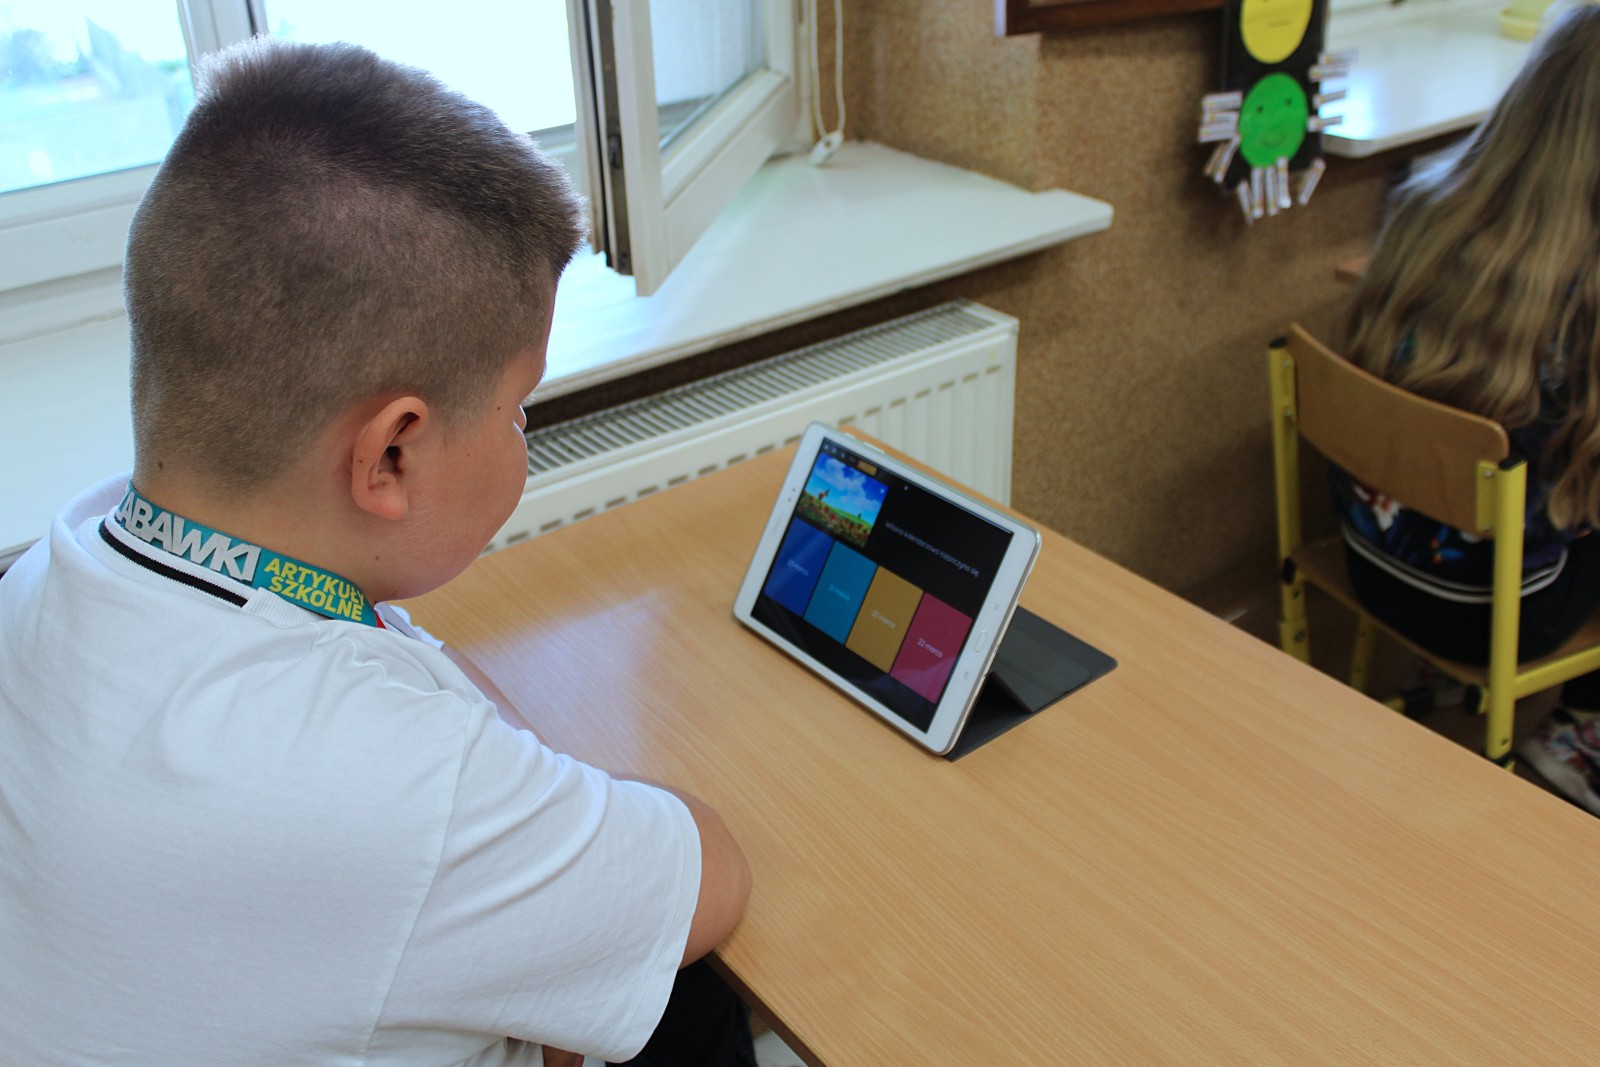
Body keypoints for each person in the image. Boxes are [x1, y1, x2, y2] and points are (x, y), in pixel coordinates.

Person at [0, 38, 751, 1066]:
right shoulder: (394, 783)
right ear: (391, 453)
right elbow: (707, 876)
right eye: (518, 406)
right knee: (691, 1001)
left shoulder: (55, 570)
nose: (522, 431)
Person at [1332, 2, 1600, 813]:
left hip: (1371, 562)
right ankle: (1579, 731)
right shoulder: (1586, 293)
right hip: (1500, 614)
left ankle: (1440, 679)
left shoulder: (1423, 210)